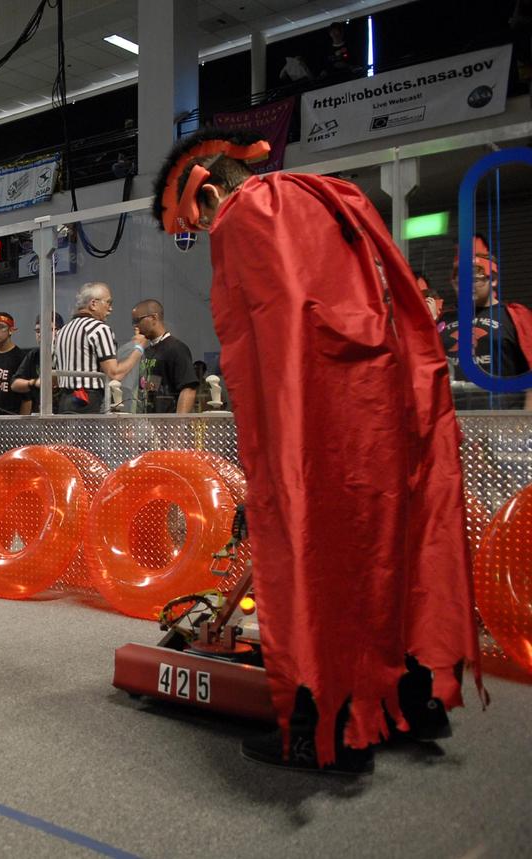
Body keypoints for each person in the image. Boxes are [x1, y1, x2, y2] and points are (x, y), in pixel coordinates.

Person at [153, 128, 480, 772]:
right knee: (395, 553)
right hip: (388, 410)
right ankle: (412, 703)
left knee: (311, 558)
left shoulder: (253, 213)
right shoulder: (328, 195)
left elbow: (278, 342)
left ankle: (317, 726)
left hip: (325, 424)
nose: (204, 239)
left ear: (210, 191)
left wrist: (275, 459)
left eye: (197, 224)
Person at [436, 236, 532, 410]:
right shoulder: (442, 319)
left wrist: (524, 423)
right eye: (460, 281)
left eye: (475, 279)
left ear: (493, 279)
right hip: (453, 421)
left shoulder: (515, 317)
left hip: (502, 422)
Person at [52, 283, 145, 414]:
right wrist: (138, 348)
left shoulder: (62, 332)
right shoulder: (99, 329)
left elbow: (54, 376)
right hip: (88, 400)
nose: (110, 308)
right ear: (93, 304)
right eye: (108, 302)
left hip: (64, 400)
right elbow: (115, 373)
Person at [131, 299, 199, 414]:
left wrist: (178, 425)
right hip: (147, 423)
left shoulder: (176, 349)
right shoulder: (145, 351)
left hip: (167, 424)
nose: (135, 326)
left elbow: (188, 388)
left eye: (138, 320)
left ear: (153, 318)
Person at [12, 312, 61, 415]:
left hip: (64, 413)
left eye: (49, 330)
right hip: (40, 414)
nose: (41, 334)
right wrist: (34, 383)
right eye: (38, 331)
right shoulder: (34, 355)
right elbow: (14, 384)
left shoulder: (67, 353)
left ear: (59, 331)